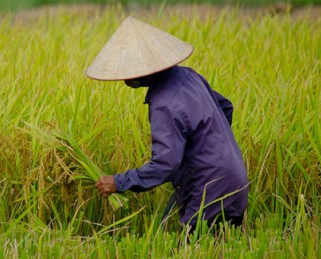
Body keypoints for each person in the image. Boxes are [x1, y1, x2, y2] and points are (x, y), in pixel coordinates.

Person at [87, 16, 249, 231]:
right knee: (223, 252)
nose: (125, 80)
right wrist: (209, 148)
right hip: (234, 178)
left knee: (196, 254)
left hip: (208, 191)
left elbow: (165, 164)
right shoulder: (189, 76)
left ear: (146, 70)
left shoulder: (164, 103)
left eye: (128, 72)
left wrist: (119, 182)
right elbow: (225, 107)